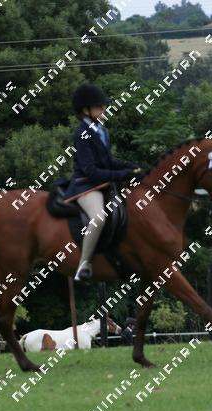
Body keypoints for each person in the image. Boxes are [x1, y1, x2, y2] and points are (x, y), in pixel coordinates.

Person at [66, 84, 141, 281]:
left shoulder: (102, 131)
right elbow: (90, 171)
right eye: (100, 107)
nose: (104, 109)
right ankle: (84, 264)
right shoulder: (81, 133)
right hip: (86, 186)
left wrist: (132, 167)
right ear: (86, 110)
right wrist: (123, 175)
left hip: (104, 184)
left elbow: (109, 162)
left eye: (103, 106)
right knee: (98, 217)